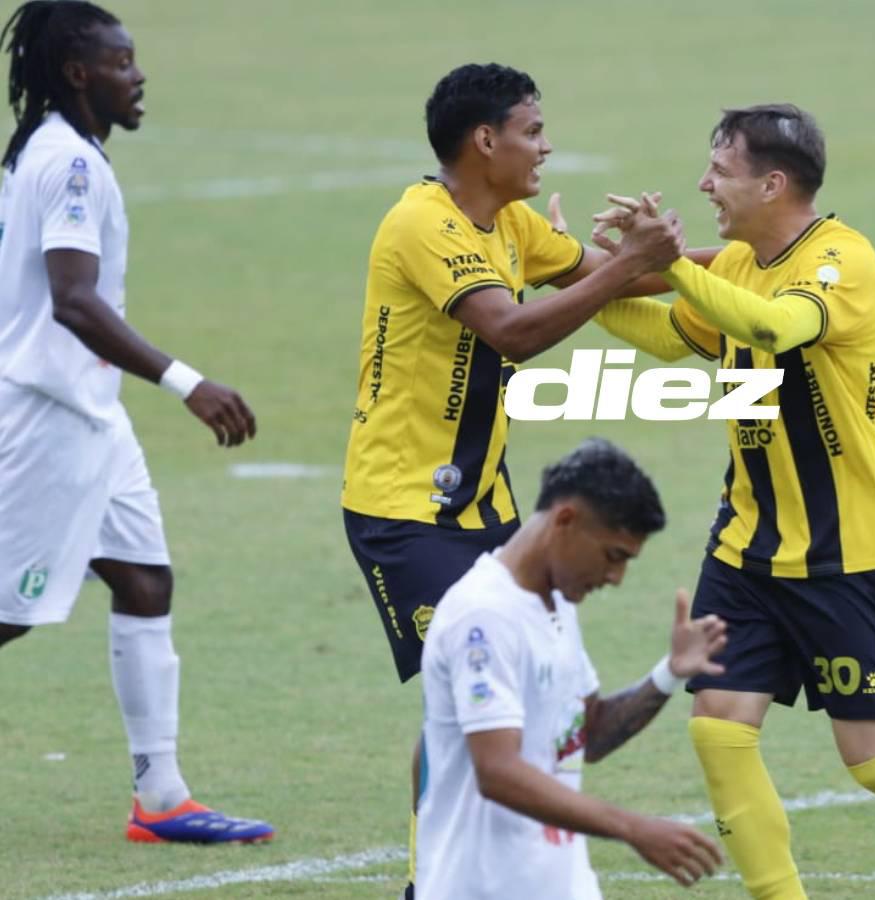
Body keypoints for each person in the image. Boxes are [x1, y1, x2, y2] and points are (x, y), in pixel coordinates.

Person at [590, 105, 875, 899]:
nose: (703, 184)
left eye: (720, 170)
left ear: (773, 184)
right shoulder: (738, 263)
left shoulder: (845, 263)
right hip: (745, 546)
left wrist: (669, 261)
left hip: (845, 553)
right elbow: (672, 335)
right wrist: (577, 287)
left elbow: (777, 327)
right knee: (718, 731)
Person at [339, 62, 713, 892]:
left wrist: (763, 256)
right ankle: (431, 881)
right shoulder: (423, 224)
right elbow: (510, 331)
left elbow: (631, 275)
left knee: (501, 701)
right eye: (532, 131)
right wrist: (627, 262)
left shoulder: (508, 222)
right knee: (462, 703)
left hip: (483, 502)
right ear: (485, 140)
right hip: (405, 509)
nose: (545, 147)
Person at [0, 1, 272, 844]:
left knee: (145, 580)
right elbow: (74, 301)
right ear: (78, 72)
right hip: (47, 417)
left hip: (92, 414)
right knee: (8, 611)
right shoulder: (69, 166)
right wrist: (187, 382)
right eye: (121, 62)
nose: (138, 74)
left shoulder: (55, 149)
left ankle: (161, 798)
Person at [418, 438, 727, 899]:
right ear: (565, 521)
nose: (616, 578)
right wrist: (632, 827)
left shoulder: (555, 603)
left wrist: (670, 673)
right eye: (613, 556)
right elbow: (497, 770)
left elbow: (587, 734)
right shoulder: (483, 616)